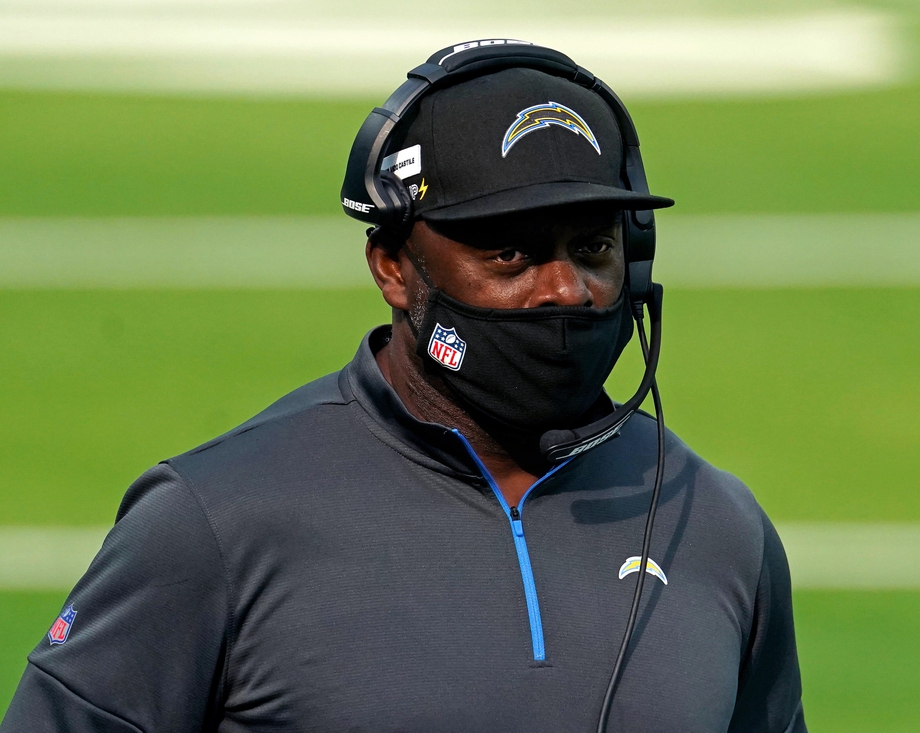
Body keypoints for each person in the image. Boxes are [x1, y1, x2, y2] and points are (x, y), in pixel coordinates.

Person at [1, 41, 807, 733]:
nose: (566, 289)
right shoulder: (213, 523)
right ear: (392, 266)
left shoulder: (717, 526)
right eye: (510, 255)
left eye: (593, 245)